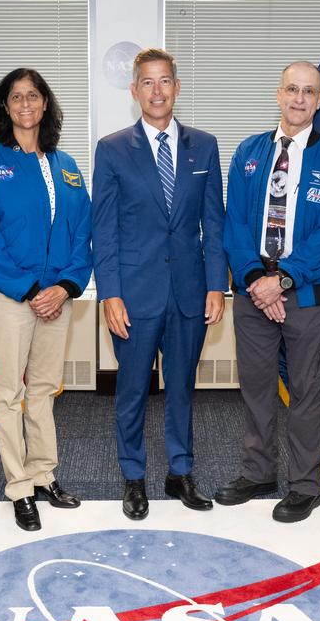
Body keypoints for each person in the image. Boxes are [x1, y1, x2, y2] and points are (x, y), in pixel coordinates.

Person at [91, 48, 226, 521]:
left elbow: (214, 222)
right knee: (132, 391)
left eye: (164, 81)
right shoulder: (112, 149)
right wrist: (110, 294)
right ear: (134, 91)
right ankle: (133, 476)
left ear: (177, 87)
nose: (156, 91)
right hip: (133, 294)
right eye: (146, 82)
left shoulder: (204, 146)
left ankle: (180, 472)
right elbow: (104, 229)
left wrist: (216, 285)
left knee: (182, 387)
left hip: (189, 292)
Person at [216, 62, 320, 523]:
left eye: (309, 91)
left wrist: (284, 279)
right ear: (279, 94)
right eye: (292, 89)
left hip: (306, 294)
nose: (299, 98)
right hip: (254, 291)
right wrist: (257, 279)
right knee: (256, 387)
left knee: (307, 391)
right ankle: (258, 472)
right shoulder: (249, 151)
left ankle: (304, 485)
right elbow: (234, 222)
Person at [0, 68, 92, 532]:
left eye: (33, 95)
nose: (25, 104)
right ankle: (19, 486)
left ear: (45, 104)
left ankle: (43, 475)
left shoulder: (67, 164)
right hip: (10, 297)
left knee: (43, 390)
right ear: (5, 107)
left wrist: (65, 286)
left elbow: (83, 232)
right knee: (9, 393)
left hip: (58, 296)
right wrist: (28, 290)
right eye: (16, 97)